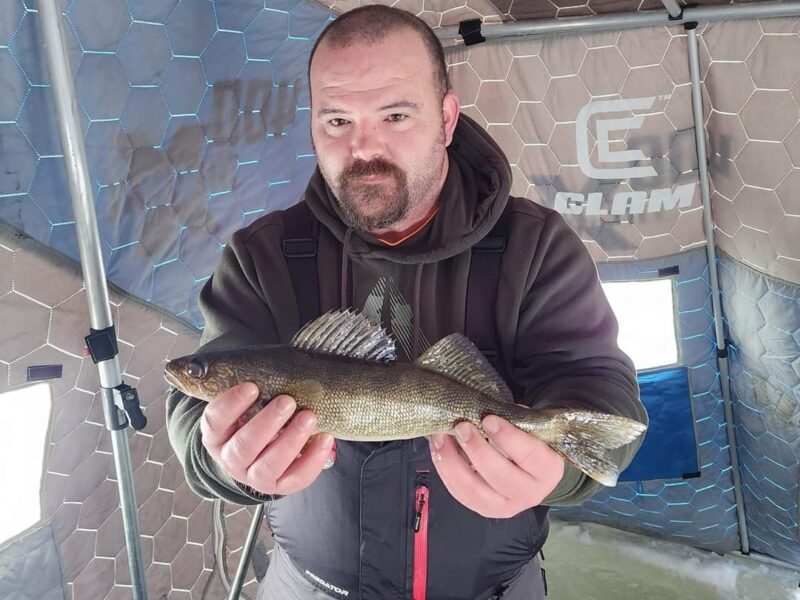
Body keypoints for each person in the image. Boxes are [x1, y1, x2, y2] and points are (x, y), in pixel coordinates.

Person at [166, 5, 647, 599]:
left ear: (447, 119)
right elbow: (192, 414)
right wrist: (222, 459)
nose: (364, 147)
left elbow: (604, 397)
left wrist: (561, 471)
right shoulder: (259, 256)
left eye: (395, 114)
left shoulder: (537, 246)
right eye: (336, 120)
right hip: (306, 585)